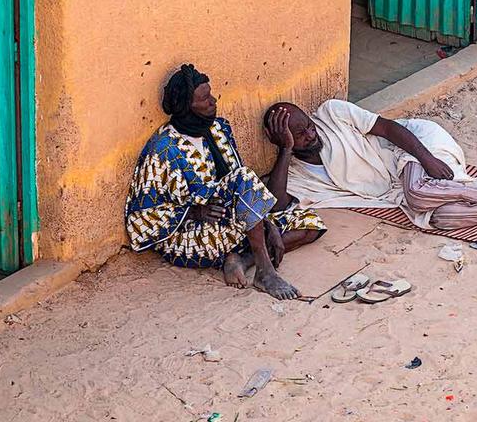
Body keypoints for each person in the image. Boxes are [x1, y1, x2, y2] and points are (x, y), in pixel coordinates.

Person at [124, 64, 326, 300]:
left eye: (210, 94)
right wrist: (194, 212)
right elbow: (139, 219)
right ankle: (264, 271)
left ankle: (242, 258)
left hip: (232, 223)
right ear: (186, 107)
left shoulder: (219, 129)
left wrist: (266, 222)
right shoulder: (163, 149)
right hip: (192, 235)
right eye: (204, 99)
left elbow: (241, 188)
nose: (213, 100)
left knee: (310, 223)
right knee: (245, 178)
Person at [262, 99, 477, 231]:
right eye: (299, 136)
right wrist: (287, 151)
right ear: (281, 140)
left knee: (418, 193)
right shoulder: (294, 174)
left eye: (309, 126)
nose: (310, 134)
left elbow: (390, 129)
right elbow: (276, 206)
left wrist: (426, 157)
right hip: (400, 187)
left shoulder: (331, 114)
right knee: (442, 219)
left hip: (411, 149)